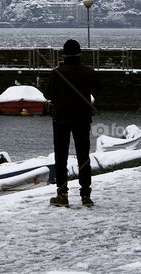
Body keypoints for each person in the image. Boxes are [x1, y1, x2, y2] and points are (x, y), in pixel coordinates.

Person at [45, 39, 98, 208]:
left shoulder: (57, 73)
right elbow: (99, 89)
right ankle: (85, 195)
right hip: (82, 118)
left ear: (64, 54)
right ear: (80, 53)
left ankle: (62, 194)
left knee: (61, 157)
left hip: (61, 119)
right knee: (84, 155)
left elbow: (48, 95)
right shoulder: (89, 72)